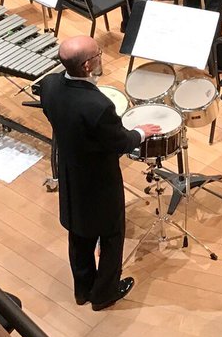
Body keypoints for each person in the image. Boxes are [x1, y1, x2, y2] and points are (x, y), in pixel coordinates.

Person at [39, 35, 160, 310]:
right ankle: (104, 293)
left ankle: (83, 290)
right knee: (111, 235)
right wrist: (140, 132)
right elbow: (121, 142)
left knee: (79, 235)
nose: (101, 57)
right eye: (98, 54)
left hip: (70, 175)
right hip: (99, 182)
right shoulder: (98, 106)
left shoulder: (49, 85)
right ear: (86, 66)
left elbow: (54, 115)